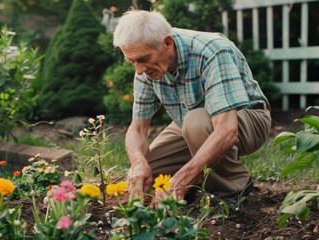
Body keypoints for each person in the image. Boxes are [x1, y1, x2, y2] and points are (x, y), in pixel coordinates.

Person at [112, 9, 271, 202]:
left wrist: (182, 180)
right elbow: (137, 129)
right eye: (132, 62)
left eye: (143, 59)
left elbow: (227, 130)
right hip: (190, 125)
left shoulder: (212, 51)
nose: (138, 70)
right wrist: (138, 164)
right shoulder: (146, 68)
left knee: (195, 122)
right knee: (148, 174)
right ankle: (196, 179)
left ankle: (234, 185)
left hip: (246, 120)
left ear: (167, 43)